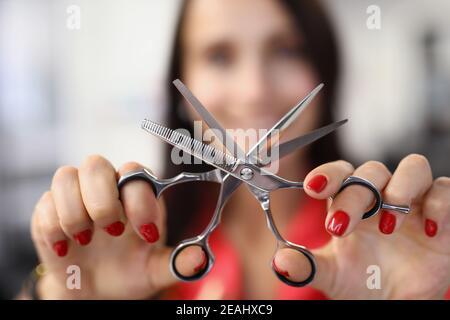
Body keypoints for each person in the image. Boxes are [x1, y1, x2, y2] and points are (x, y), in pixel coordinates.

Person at [27, 0, 450, 299]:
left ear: (326, 70)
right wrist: (63, 294)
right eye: (219, 55)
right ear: (180, 86)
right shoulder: (134, 245)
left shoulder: (386, 239)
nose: (254, 91)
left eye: (286, 50)